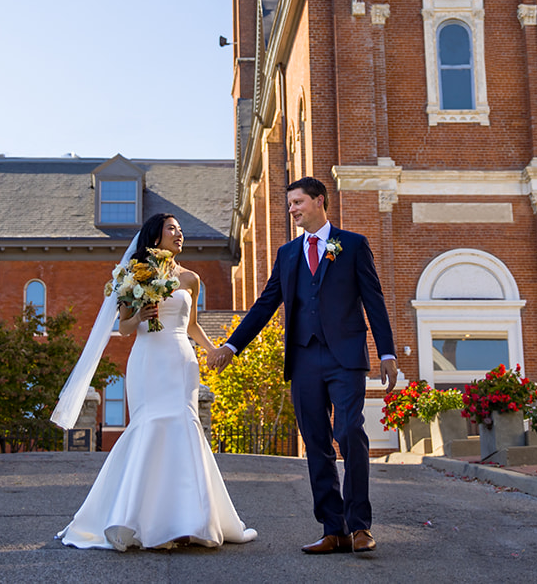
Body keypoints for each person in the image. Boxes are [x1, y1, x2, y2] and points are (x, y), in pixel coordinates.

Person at [206, 177, 396, 556]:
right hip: (304, 358)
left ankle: (360, 527)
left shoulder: (353, 245)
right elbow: (264, 304)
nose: (291, 209)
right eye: (289, 204)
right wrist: (232, 344)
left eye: (297, 202)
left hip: (345, 358)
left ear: (319, 201)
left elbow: (373, 300)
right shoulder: (288, 254)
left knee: (348, 431)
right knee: (316, 443)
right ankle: (334, 529)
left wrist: (387, 352)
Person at [55, 212, 257, 550]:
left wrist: (213, 350)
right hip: (148, 358)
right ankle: (138, 519)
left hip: (180, 358)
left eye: (180, 229)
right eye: (171, 229)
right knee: (149, 425)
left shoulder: (191, 278)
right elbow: (123, 328)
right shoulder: (134, 274)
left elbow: (191, 325)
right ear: (155, 235)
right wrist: (140, 315)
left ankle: (189, 521)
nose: (179, 234)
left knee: (183, 425)